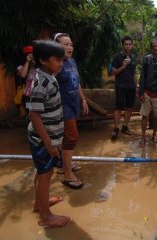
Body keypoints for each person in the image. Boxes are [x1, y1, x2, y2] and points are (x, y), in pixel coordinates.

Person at [28, 40, 72, 228]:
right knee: (46, 173)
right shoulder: (41, 82)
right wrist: (48, 143)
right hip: (42, 139)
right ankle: (45, 217)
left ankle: (40, 203)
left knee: (42, 171)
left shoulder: (49, 75)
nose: (61, 63)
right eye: (58, 60)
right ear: (44, 61)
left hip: (46, 138)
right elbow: (34, 114)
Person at [53, 33, 89, 189]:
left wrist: (83, 99)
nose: (69, 47)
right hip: (62, 105)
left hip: (74, 103)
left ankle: (64, 165)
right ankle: (68, 175)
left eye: (71, 44)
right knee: (72, 137)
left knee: (66, 138)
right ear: (56, 47)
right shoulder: (55, 64)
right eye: (65, 44)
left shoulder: (72, 62)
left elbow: (77, 82)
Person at [110, 36, 136, 139]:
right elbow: (113, 72)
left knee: (129, 107)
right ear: (122, 45)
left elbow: (134, 73)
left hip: (131, 86)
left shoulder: (133, 57)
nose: (128, 46)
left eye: (130, 44)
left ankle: (125, 127)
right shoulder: (117, 57)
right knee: (118, 107)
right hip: (120, 85)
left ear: (132, 45)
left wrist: (136, 85)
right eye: (126, 44)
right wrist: (123, 66)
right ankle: (116, 128)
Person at [17, 45, 36, 114]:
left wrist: (35, 62)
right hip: (28, 95)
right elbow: (23, 75)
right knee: (30, 113)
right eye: (29, 55)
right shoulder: (22, 66)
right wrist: (27, 62)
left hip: (39, 94)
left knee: (39, 113)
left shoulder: (39, 65)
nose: (31, 57)